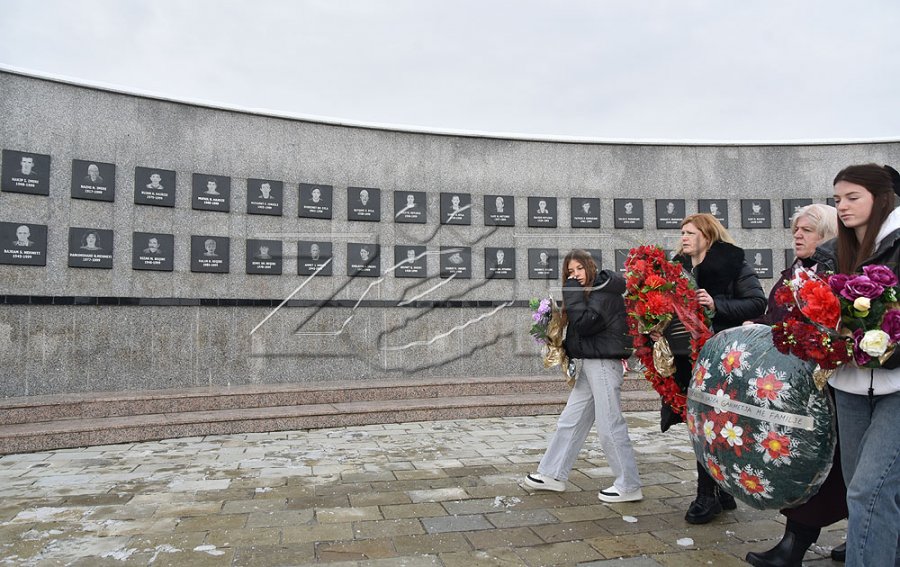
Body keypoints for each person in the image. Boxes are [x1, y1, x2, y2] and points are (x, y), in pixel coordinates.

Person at [742, 204, 848, 567]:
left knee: (828, 465)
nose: (798, 236)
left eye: (807, 230)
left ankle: (795, 547)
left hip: (829, 387)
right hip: (796, 386)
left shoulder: (836, 273)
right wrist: (752, 325)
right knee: (809, 464)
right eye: (795, 231)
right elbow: (775, 317)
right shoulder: (794, 273)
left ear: (828, 235)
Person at [659, 213, 766, 524]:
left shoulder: (733, 264)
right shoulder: (677, 269)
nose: (684, 237)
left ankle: (707, 496)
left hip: (721, 357)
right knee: (702, 423)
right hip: (686, 357)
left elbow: (757, 303)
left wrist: (717, 304)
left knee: (711, 423)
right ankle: (721, 488)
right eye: (682, 232)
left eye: (690, 232)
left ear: (707, 235)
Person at [819, 164, 900, 567]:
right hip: (850, 386)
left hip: (896, 387)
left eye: (853, 197)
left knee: (869, 491)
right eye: (837, 200)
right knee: (863, 491)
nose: (843, 207)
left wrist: (882, 345)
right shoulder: (837, 251)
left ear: (881, 197)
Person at [523, 249, 642, 502]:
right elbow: (581, 330)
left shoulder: (605, 291)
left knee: (610, 424)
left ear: (590, 267)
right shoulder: (589, 293)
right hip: (590, 362)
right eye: (569, 272)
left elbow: (587, 324)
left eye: (578, 269)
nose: (574, 275)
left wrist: (572, 295)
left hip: (603, 364)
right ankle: (552, 474)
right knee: (571, 420)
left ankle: (629, 485)